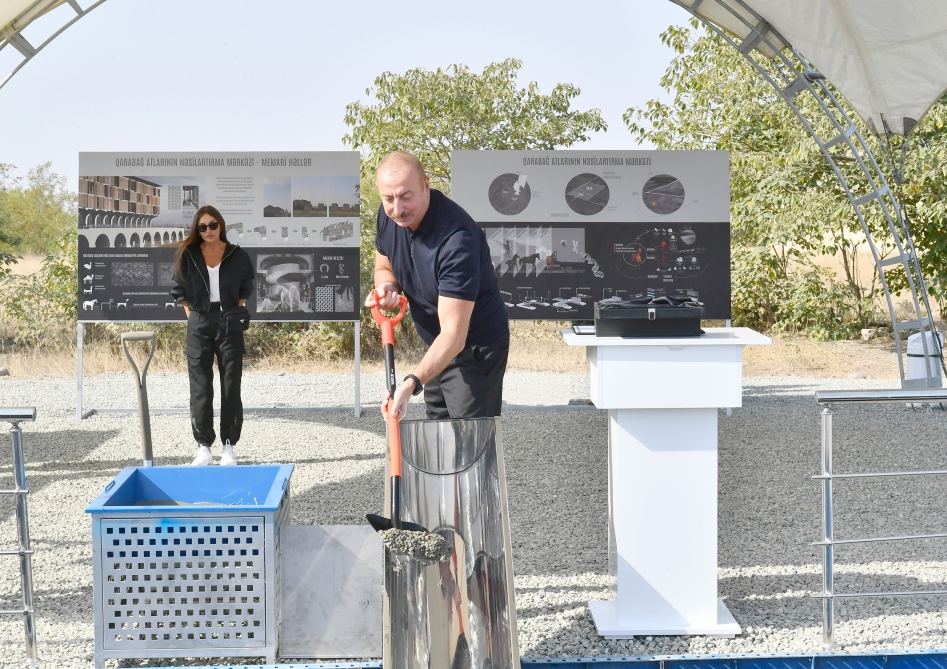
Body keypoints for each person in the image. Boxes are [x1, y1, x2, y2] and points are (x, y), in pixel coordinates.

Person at [366, 151, 510, 420]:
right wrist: (387, 288)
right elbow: (384, 266)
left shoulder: (457, 239)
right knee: (439, 431)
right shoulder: (389, 217)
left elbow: (455, 336)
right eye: (388, 198)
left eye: (406, 196)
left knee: (470, 442)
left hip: (474, 348)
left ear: (426, 184)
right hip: (436, 343)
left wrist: (411, 383)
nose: (398, 209)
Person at [171, 205, 255, 465]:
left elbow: (246, 285)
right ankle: (203, 446)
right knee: (200, 386)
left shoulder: (236, 254)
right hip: (199, 320)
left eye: (213, 225)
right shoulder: (188, 254)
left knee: (231, 383)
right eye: (202, 227)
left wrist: (234, 310)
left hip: (229, 319)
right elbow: (179, 288)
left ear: (221, 226)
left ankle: (229, 445)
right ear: (197, 229)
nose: (208, 231)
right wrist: (195, 316)